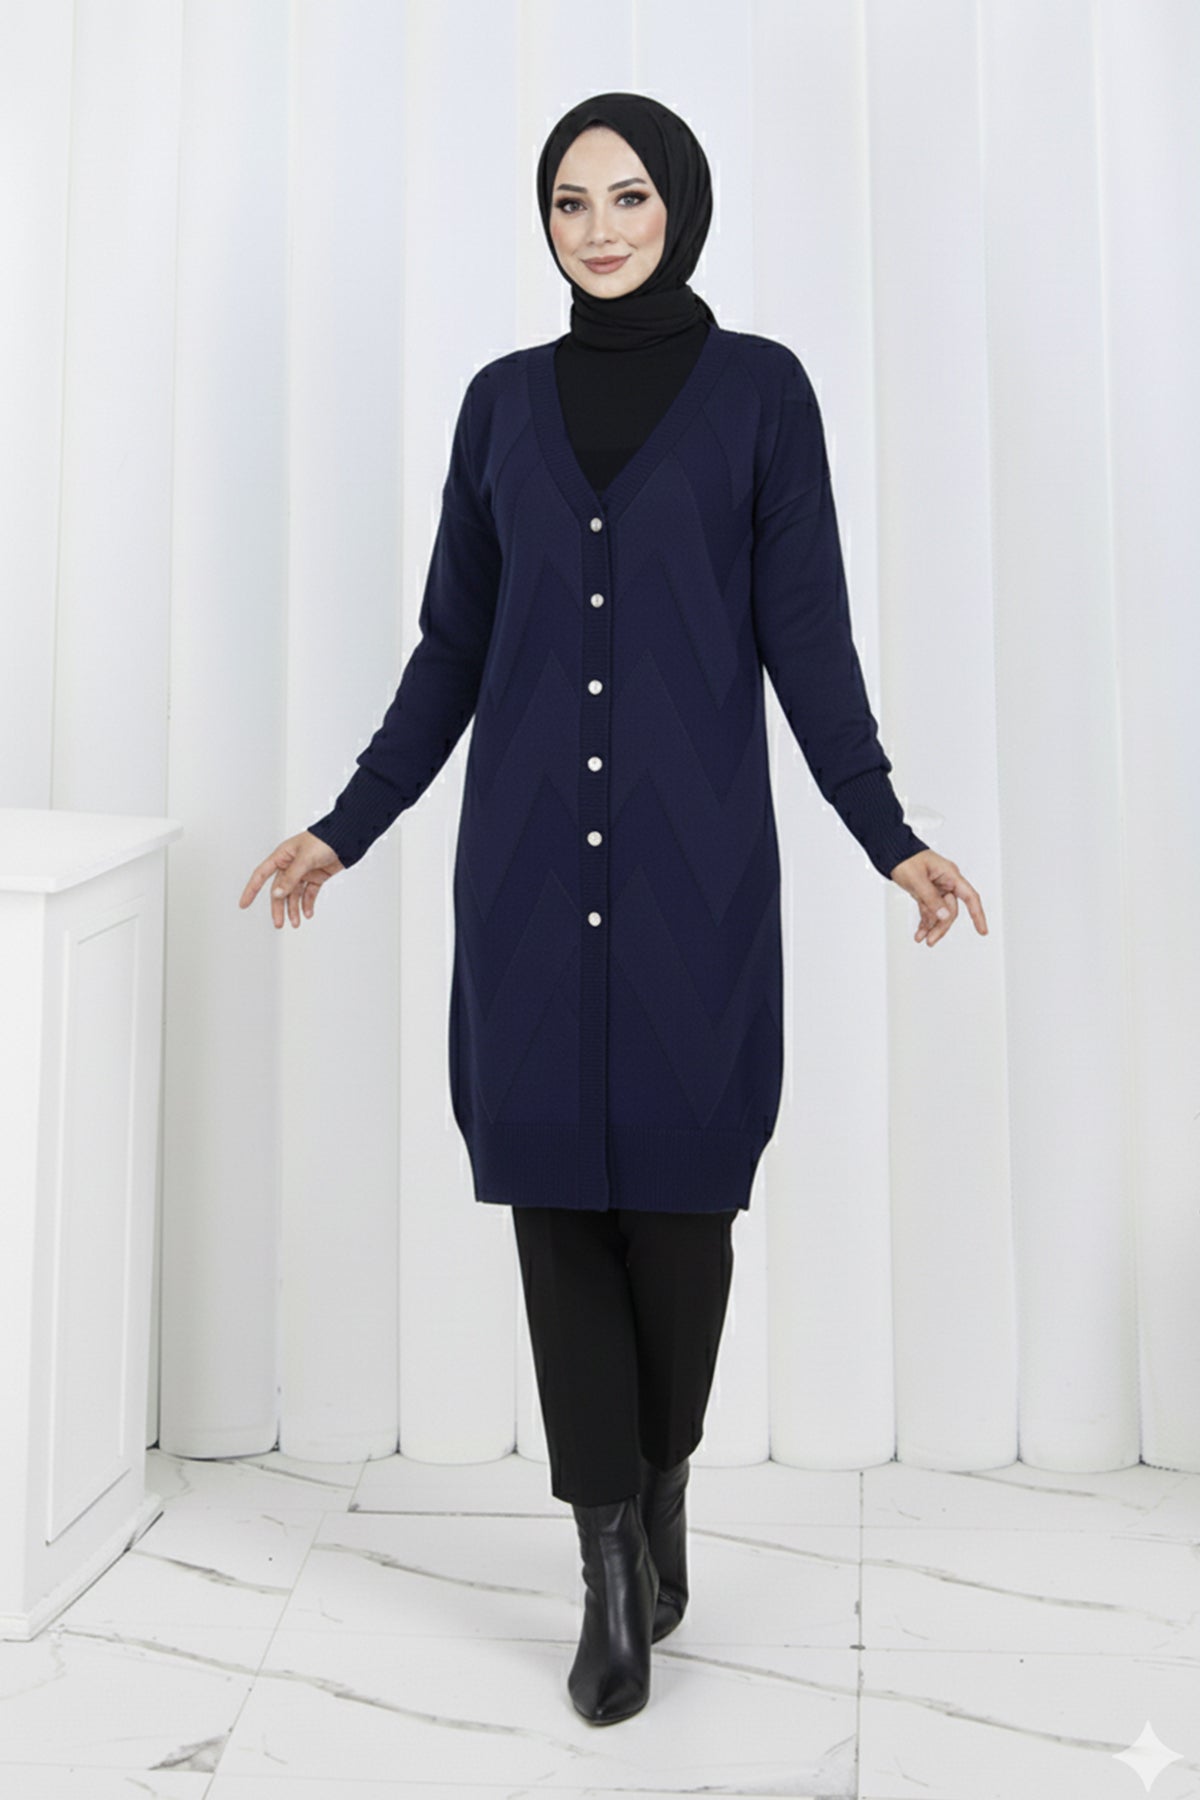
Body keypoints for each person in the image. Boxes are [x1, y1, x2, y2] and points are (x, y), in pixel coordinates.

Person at [239, 91, 988, 1727]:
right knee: (557, 1220)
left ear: (680, 207)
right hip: (522, 877)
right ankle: (605, 1572)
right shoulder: (499, 406)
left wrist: (892, 837)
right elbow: (453, 647)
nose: (598, 227)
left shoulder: (761, 395)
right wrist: (344, 826)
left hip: (692, 883)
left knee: (682, 1221)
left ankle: (661, 1483)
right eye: (570, 200)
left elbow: (808, 642)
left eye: (628, 195)